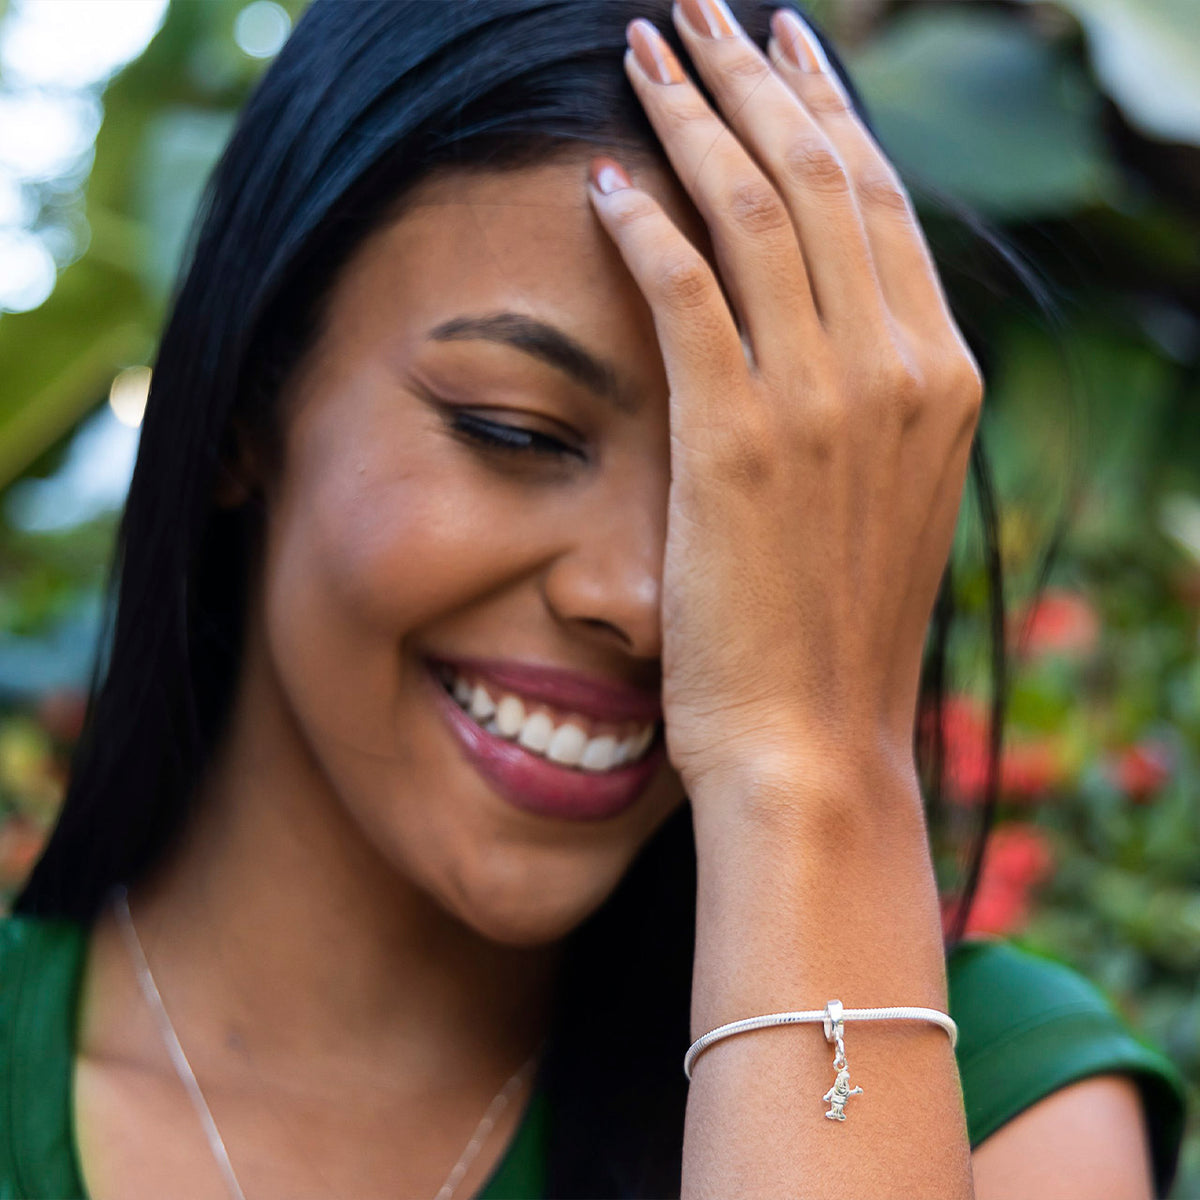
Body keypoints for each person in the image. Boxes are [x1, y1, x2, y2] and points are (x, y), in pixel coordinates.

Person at [0, 1, 1185, 1197]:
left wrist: (811, 760)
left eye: (753, 496)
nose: (643, 597)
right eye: (514, 432)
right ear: (246, 406)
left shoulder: (993, 1104)